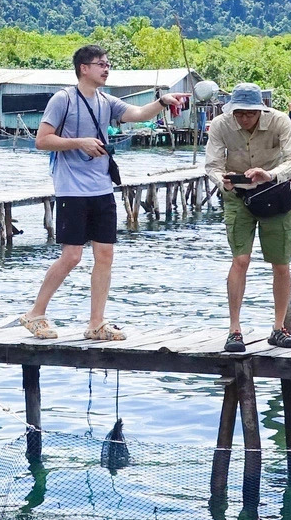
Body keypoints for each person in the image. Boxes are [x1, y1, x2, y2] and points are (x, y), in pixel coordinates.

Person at [19, 45, 182, 341]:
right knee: (71, 256)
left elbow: (137, 113)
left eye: (108, 64)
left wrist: (162, 101)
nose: (106, 69)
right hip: (71, 189)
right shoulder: (63, 99)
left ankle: (96, 323)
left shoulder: (106, 101)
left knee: (105, 254)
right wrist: (79, 142)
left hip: (101, 187)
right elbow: (42, 140)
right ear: (84, 68)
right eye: (101, 64)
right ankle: (35, 314)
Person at [204, 83, 291, 352]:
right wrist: (221, 180)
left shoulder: (280, 121)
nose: (244, 118)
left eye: (250, 113)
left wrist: (270, 174)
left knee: (280, 262)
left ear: (261, 110)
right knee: (240, 260)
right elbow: (212, 165)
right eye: (239, 113)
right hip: (237, 196)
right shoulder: (221, 125)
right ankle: (234, 330)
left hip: (274, 192)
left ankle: (279, 328)